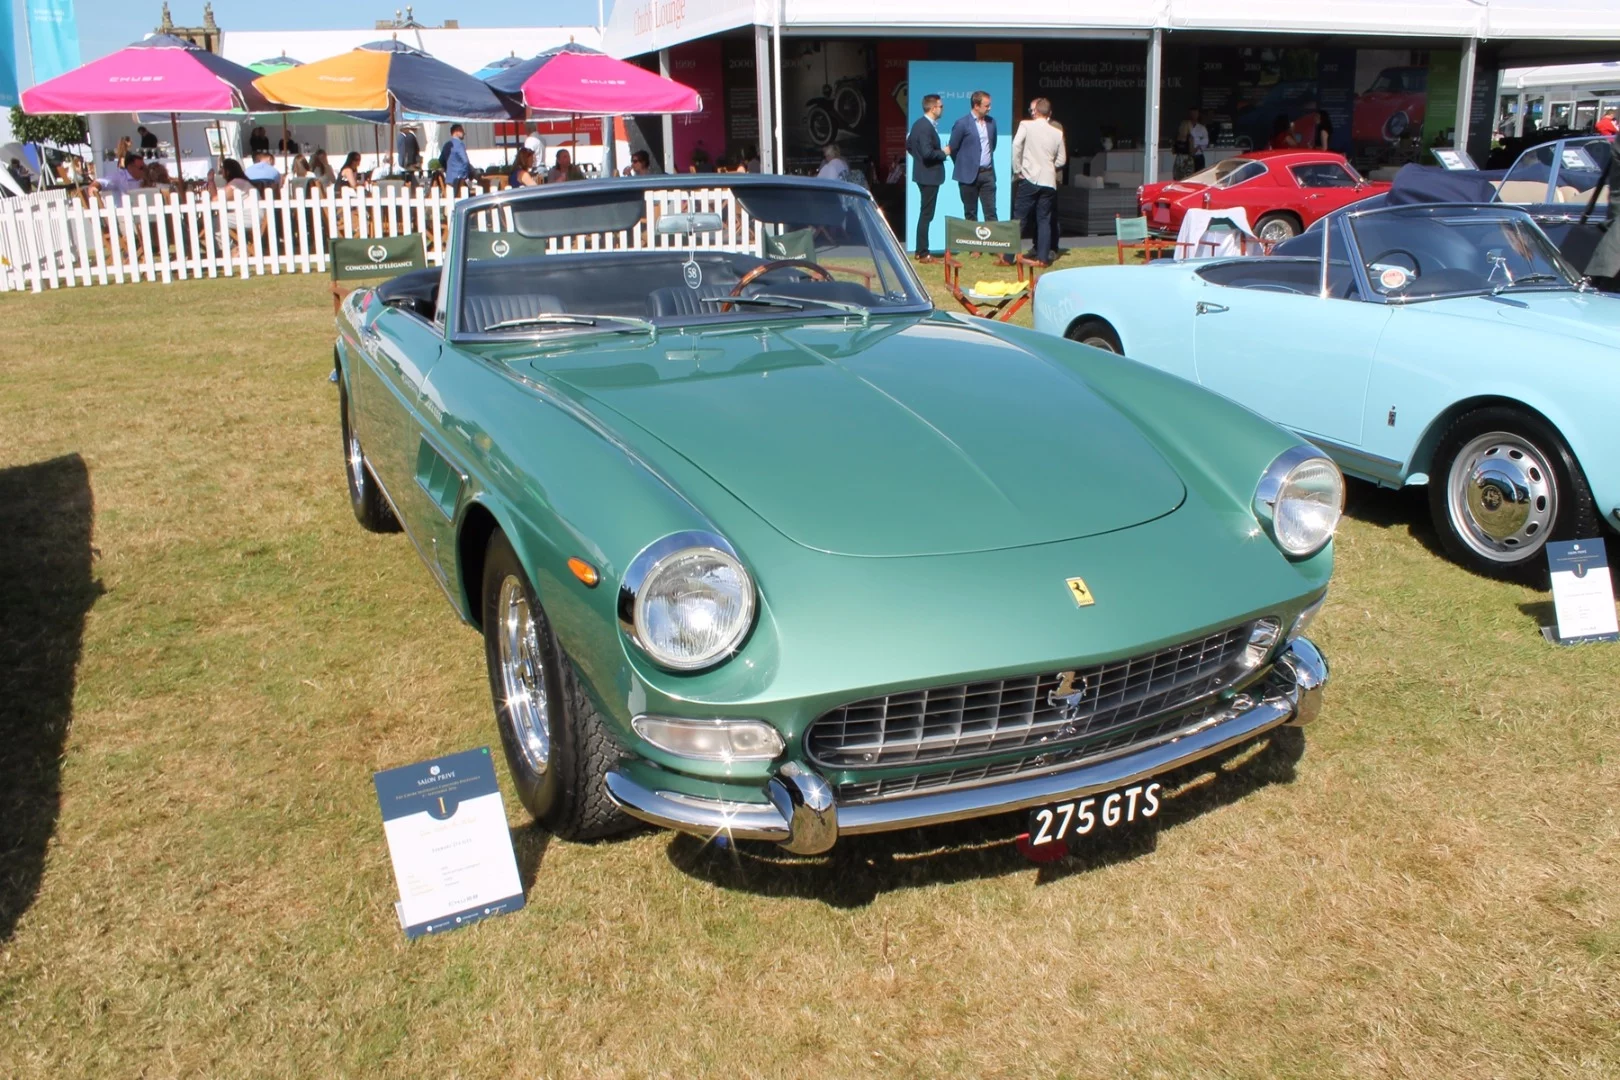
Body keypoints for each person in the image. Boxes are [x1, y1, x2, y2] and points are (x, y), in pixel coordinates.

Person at [1011, 97, 1066, 266]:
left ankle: (1007, 257)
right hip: (1049, 180)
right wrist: (1049, 165)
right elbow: (1062, 160)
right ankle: (1043, 258)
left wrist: (1018, 168)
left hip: (1029, 177)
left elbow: (1016, 146)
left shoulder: (1026, 125)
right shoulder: (1057, 132)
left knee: (1019, 219)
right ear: (1049, 113)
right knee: (1044, 219)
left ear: (1035, 112)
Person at [906, 92, 948, 262]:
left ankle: (920, 250)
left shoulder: (918, 125)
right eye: (941, 106)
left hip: (924, 174)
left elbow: (910, 146)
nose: (942, 109)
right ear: (932, 108)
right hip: (928, 176)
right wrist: (944, 153)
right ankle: (923, 252)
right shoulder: (924, 127)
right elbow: (927, 152)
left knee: (925, 213)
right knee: (926, 215)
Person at [948, 90, 998, 221]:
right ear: (976, 106)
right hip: (968, 176)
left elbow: (993, 145)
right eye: (986, 106)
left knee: (991, 212)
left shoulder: (991, 123)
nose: (989, 108)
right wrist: (964, 165)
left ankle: (993, 241)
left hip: (987, 174)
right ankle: (972, 241)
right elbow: (953, 148)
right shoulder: (962, 123)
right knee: (970, 214)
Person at [1177, 108, 1210, 172]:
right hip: (1185, 157)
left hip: (1198, 155)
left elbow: (1206, 141)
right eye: (1192, 114)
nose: (1194, 115)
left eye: (1195, 114)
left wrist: (1196, 144)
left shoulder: (1202, 128)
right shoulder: (1184, 128)